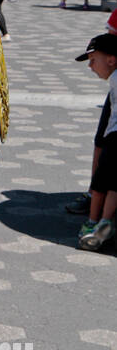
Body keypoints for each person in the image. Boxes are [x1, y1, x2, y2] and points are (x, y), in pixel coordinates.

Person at [75, 32, 117, 250]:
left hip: (114, 138)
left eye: (93, 61)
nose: (90, 67)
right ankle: (104, 222)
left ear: (111, 60)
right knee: (112, 187)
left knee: (101, 184)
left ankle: (93, 224)